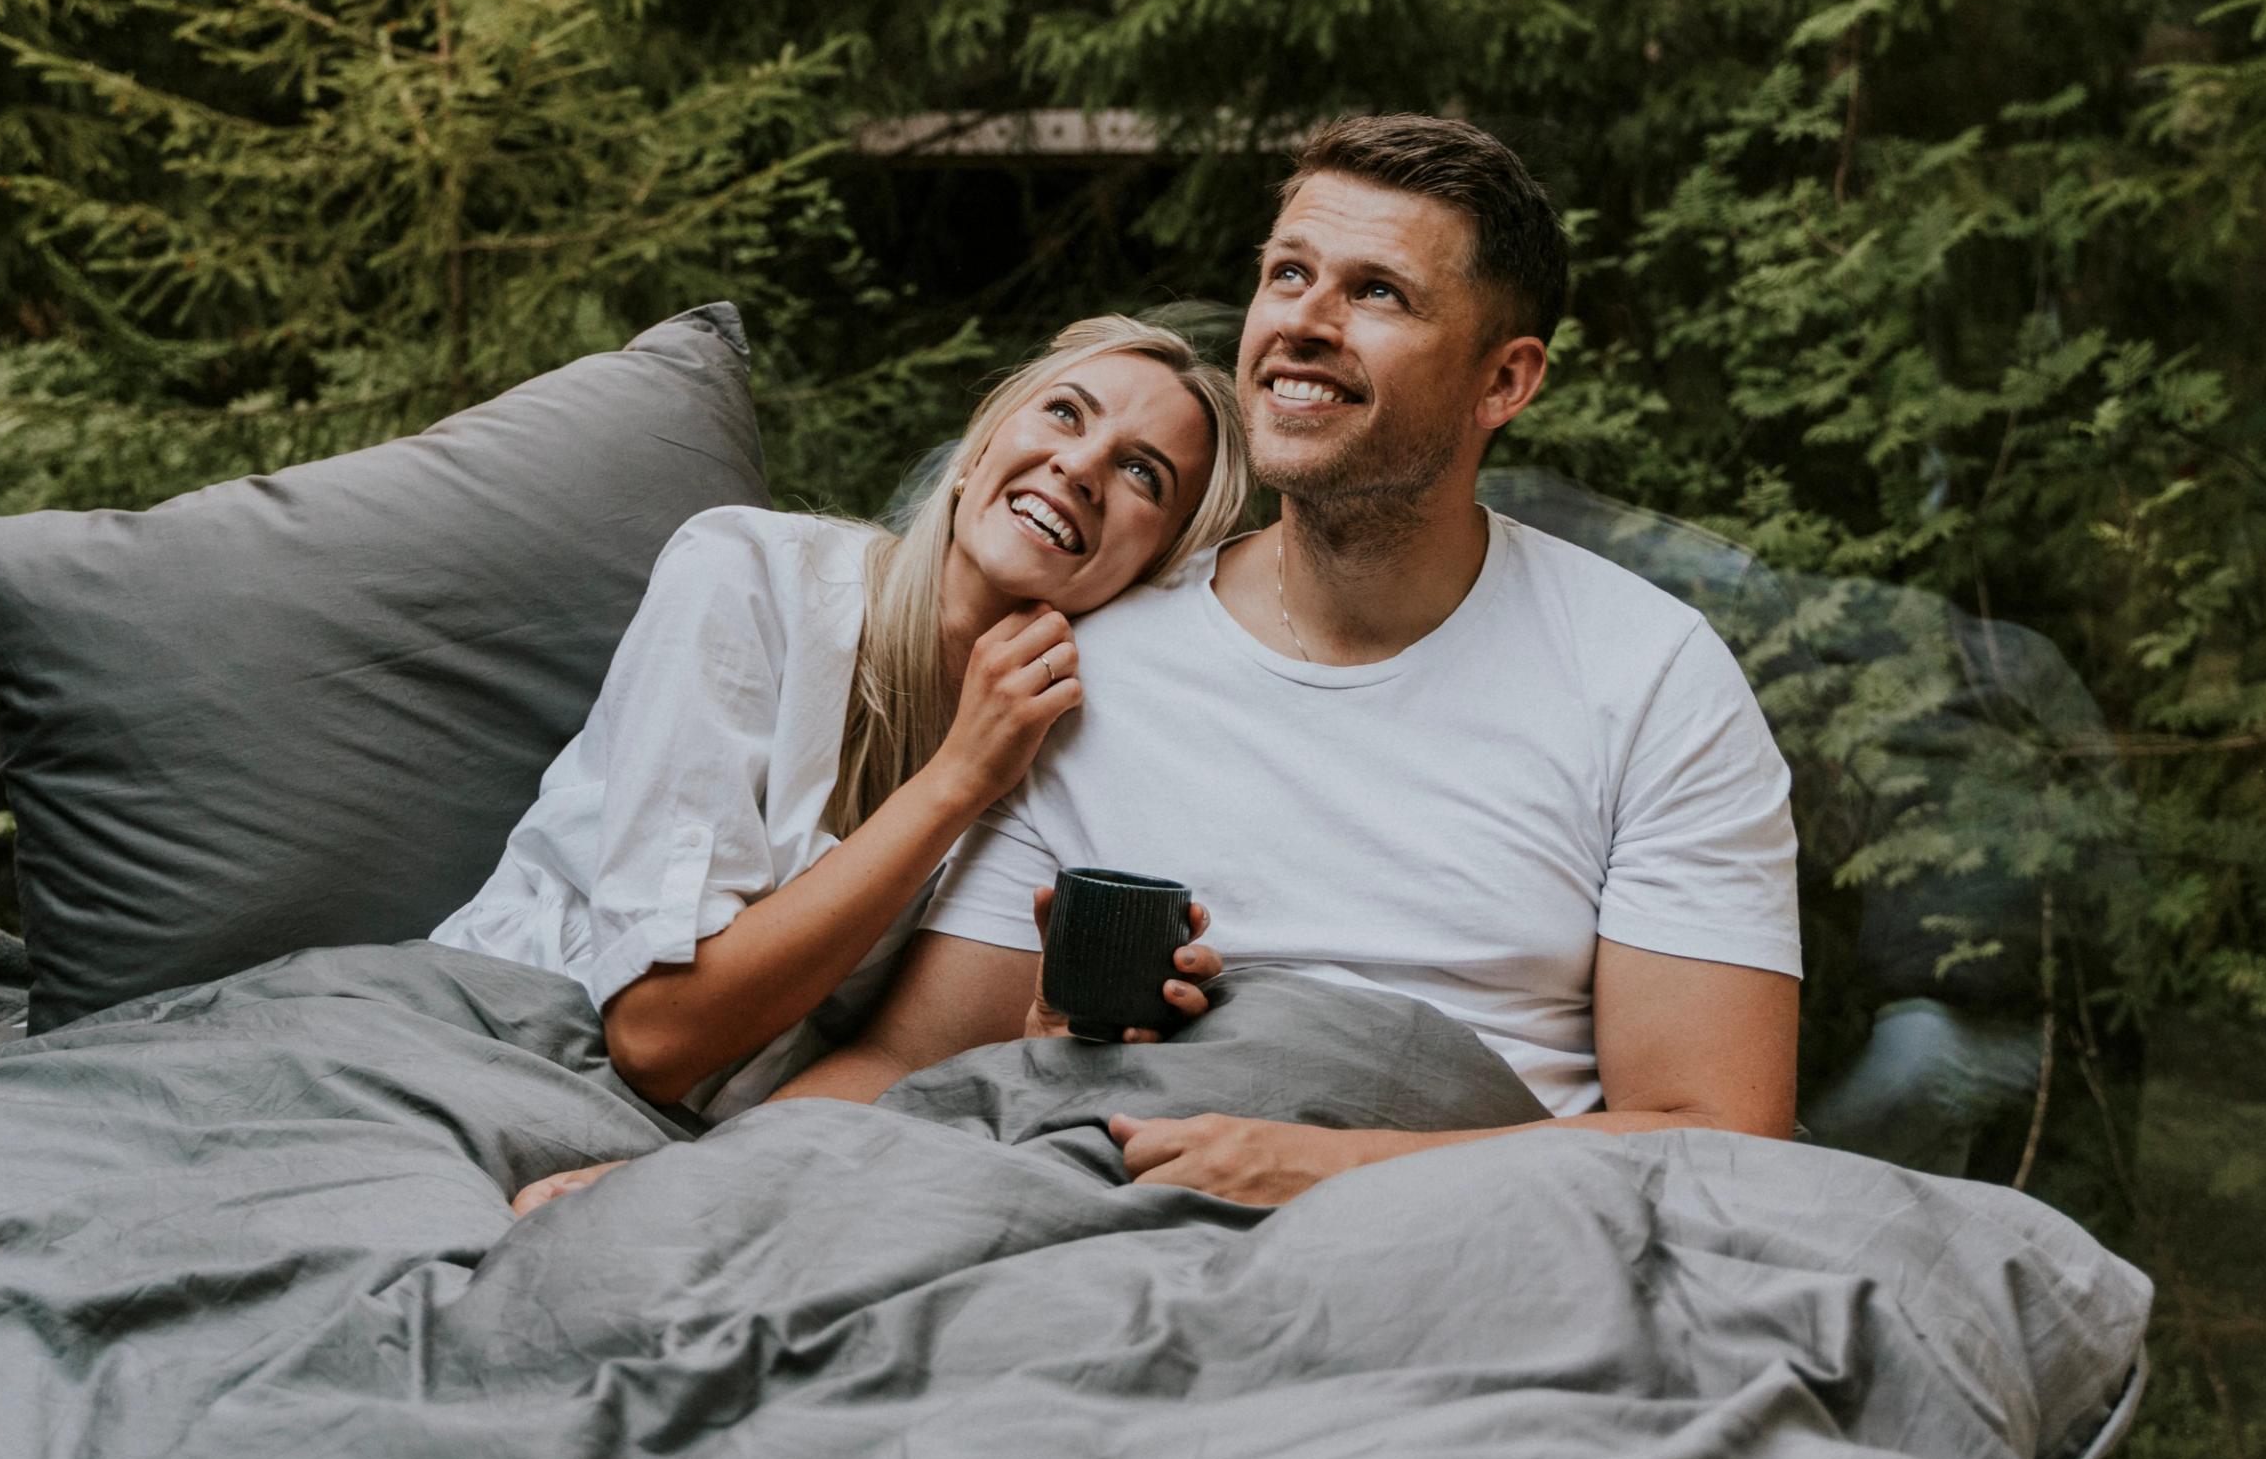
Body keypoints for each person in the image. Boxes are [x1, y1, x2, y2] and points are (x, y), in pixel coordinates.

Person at [761, 115, 1802, 1206]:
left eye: (1377, 292)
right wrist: (701, 1184)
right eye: (1289, 274)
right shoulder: (1089, 667)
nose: (1304, 320)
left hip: (1481, 1233)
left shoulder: (1645, 677)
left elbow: (1718, 1135)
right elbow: (907, 1065)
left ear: (1503, 380)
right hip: (1114, 1206)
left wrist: (1325, 1168)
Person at [437, 316, 1246, 1126]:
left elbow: (899, 1057)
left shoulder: (1075, 759)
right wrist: (959, 776)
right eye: (1066, 412)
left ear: (1156, 571)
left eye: (1142, 472)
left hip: (725, 1137)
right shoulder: (747, 577)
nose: (1081, 465)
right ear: (978, 451)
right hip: (501, 1032)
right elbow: (655, 1036)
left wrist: (1030, 1041)